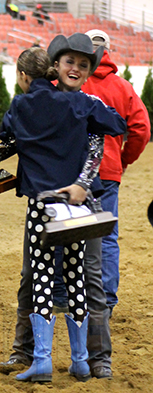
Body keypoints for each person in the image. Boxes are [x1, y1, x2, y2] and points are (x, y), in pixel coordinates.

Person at [0, 34, 126, 382]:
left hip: (73, 201)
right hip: (73, 204)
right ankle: (34, 353)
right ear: (55, 66)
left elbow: (102, 143)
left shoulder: (84, 102)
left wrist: (83, 183)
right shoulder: (81, 105)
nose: (76, 69)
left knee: (78, 278)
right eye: (70, 62)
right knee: (50, 277)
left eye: (83, 65)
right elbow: (13, 142)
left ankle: (94, 358)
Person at [79, 30, 150, 315]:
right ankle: (105, 301)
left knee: (67, 235)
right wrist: (123, 160)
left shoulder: (70, 79)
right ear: (109, 51)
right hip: (107, 170)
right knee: (106, 238)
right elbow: (141, 130)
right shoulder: (122, 86)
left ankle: (69, 295)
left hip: (70, 172)